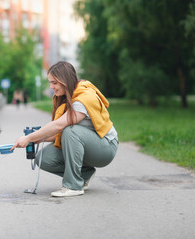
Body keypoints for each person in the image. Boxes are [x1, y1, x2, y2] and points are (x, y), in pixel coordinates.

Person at [11, 61, 118, 197]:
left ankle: (73, 186)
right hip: (88, 144)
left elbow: (59, 126)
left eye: (54, 83)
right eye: (50, 83)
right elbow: (59, 133)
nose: (51, 87)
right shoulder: (65, 98)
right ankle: (85, 174)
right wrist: (37, 138)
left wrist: (29, 138)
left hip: (106, 148)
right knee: (43, 158)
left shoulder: (84, 98)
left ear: (65, 80)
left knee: (70, 130)